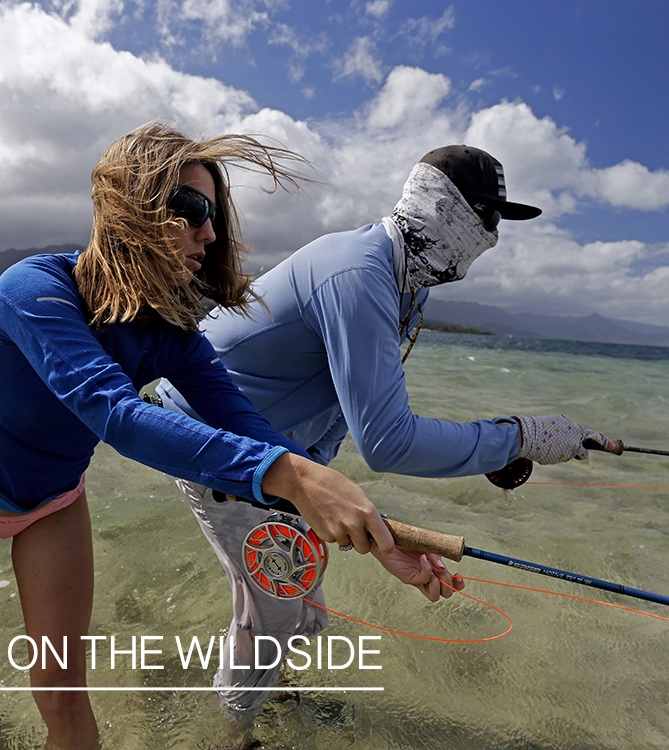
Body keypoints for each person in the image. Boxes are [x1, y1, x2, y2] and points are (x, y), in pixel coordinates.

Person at [0, 122, 451, 750]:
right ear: (128, 205)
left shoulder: (174, 340)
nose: (209, 233)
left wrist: (370, 527)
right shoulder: (33, 290)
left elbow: (250, 428)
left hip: (51, 509)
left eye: (213, 217)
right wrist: (296, 477)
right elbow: (117, 417)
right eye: (190, 209)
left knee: (63, 691)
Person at [157, 144, 621, 719]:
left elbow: (338, 409)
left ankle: (266, 700)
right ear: (442, 206)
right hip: (212, 443)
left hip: (275, 453)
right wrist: (518, 438)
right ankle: (235, 731)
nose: (493, 235)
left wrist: (340, 513)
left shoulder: (406, 284)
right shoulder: (361, 274)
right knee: (277, 615)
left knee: (303, 606)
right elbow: (387, 442)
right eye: (488, 216)